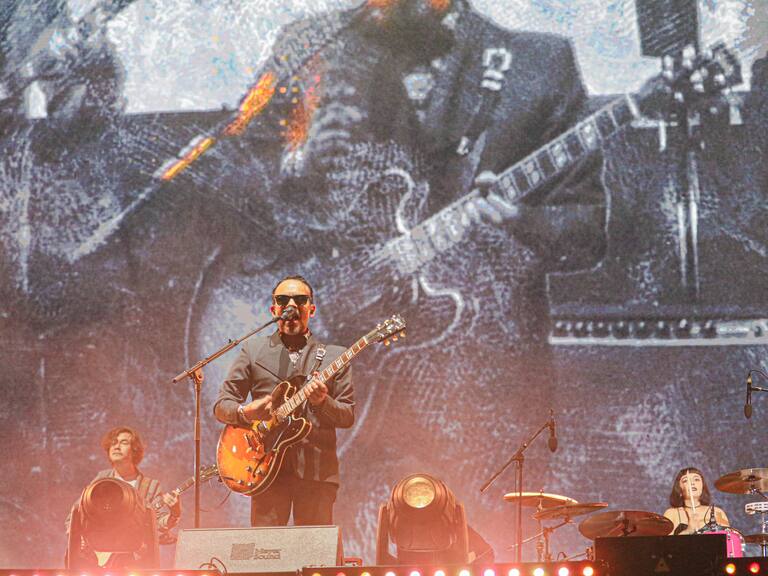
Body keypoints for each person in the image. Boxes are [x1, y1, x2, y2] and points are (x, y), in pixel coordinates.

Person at [213, 274, 355, 526]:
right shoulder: (252, 351)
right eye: (283, 299)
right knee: (266, 557)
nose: (291, 305)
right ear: (274, 309)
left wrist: (323, 402)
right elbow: (222, 406)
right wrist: (246, 412)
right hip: (264, 469)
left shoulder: (334, 356)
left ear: (311, 309)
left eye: (300, 299)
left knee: (315, 558)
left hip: (316, 473)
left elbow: (346, 415)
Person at [65, 426, 182, 566]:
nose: (117, 446)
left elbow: (157, 525)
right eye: (113, 443)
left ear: (134, 450)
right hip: (96, 558)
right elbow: (73, 517)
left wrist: (175, 512)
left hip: (132, 560)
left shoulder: (151, 486)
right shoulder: (100, 482)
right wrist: (83, 540)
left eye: (124, 442)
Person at [663, 467, 730, 535]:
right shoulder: (671, 513)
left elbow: (728, 541)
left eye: (696, 479)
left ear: (702, 487)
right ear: (679, 489)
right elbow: (666, 544)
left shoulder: (717, 512)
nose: (692, 483)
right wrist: (688, 531)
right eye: (685, 480)